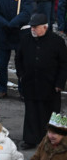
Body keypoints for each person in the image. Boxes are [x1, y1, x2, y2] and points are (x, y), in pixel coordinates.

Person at [16, 13, 67, 148]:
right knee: (31, 112)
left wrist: (60, 83)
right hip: (30, 83)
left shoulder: (57, 42)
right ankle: (30, 139)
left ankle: (50, 140)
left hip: (50, 85)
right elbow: (18, 58)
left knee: (49, 113)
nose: (33, 29)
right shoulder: (25, 39)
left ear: (45, 27)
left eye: (35, 27)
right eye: (32, 27)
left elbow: (64, 64)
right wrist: (21, 75)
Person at [0, 0, 34, 100]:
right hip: (4, 34)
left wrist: (13, 23)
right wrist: (6, 24)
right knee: (2, 64)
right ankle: (1, 89)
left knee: (22, 64)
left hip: (21, 34)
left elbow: (27, 13)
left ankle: (23, 90)